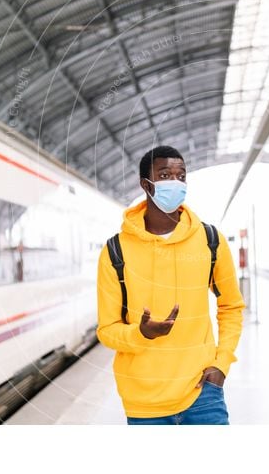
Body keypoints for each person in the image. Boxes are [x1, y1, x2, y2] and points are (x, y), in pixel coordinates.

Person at [97, 145, 245, 424]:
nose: (175, 183)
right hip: (145, 403)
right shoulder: (115, 251)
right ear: (146, 184)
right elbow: (107, 331)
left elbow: (231, 307)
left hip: (203, 393)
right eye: (165, 175)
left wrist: (221, 363)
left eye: (181, 176)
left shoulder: (210, 240)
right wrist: (142, 334)